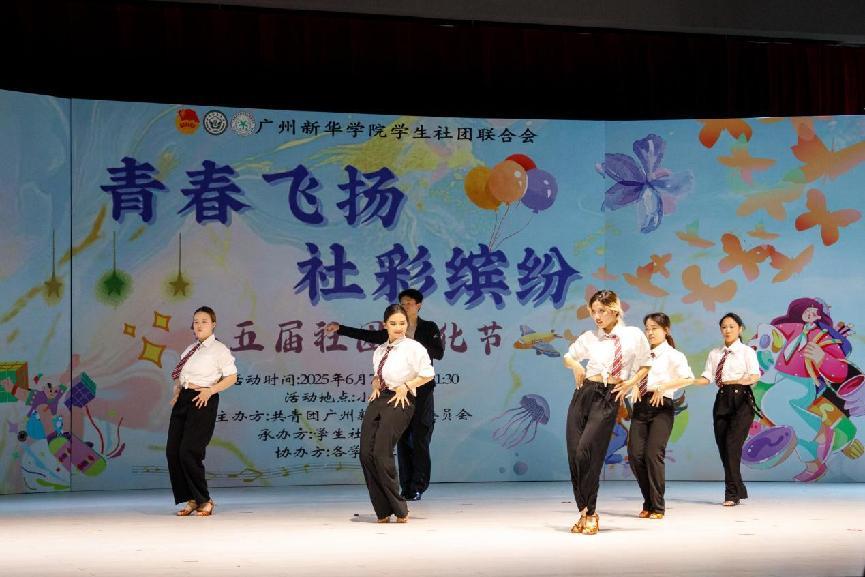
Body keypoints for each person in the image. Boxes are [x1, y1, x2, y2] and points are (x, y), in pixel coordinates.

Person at [325, 288, 443, 500]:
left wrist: (412, 346)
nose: (405, 306)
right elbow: (369, 336)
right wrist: (340, 329)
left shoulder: (428, 328)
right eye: (402, 303)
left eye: (409, 303)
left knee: (420, 438)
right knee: (402, 439)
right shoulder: (392, 332)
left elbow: (439, 353)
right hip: (397, 393)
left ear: (418, 305)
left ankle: (418, 485)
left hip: (422, 391)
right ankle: (406, 487)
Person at [563, 289, 650, 535]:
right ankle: (584, 512)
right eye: (593, 312)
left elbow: (646, 363)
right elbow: (568, 356)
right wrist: (575, 366)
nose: (597, 317)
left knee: (587, 451)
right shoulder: (590, 337)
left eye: (601, 311)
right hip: (583, 394)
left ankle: (591, 512)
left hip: (608, 396)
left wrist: (631, 382)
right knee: (574, 453)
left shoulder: (633, 335)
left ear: (615, 309)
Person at [359, 304, 434, 523]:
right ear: (385, 325)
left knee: (381, 452)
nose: (398, 327)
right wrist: (375, 383)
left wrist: (407, 386)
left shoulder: (414, 348)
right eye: (393, 323)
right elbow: (379, 375)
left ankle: (400, 509)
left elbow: (427, 374)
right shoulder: (380, 350)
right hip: (379, 398)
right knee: (365, 453)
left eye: (402, 323)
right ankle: (382, 510)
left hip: (401, 398)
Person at [622, 312, 695, 519]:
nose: (650, 332)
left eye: (654, 328)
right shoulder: (641, 355)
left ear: (666, 330)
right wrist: (634, 386)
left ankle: (657, 506)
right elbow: (632, 377)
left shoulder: (674, 355)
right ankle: (648, 500)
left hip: (661, 406)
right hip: (640, 406)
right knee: (635, 455)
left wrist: (663, 387)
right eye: (647, 328)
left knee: (653, 454)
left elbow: (688, 378)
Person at [167, 306, 237, 517]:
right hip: (183, 399)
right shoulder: (190, 349)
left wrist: (210, 391)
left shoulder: (219, 349)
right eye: (196, 321)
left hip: (202, 398)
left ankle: (204, 500)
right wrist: (177, 390)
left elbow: (232, 377)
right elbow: (183, 376)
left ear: (213, 324)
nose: (199, 325)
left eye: (204, 321)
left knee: (189, 451)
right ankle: (191, 499)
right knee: (173, 451)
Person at [690, 313, 760, 506]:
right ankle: (739, 487)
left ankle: (731, 494)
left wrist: (739, 380)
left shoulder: (747, 352)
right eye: (724, 327)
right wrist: (688, 380)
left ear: (740, 329)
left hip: (741, 399)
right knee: (723, 448)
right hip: (722, 399)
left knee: (732, 446)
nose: (727, 330)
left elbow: (755, 375)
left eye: (731, 326)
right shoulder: (715, 353)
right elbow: (707, 378)